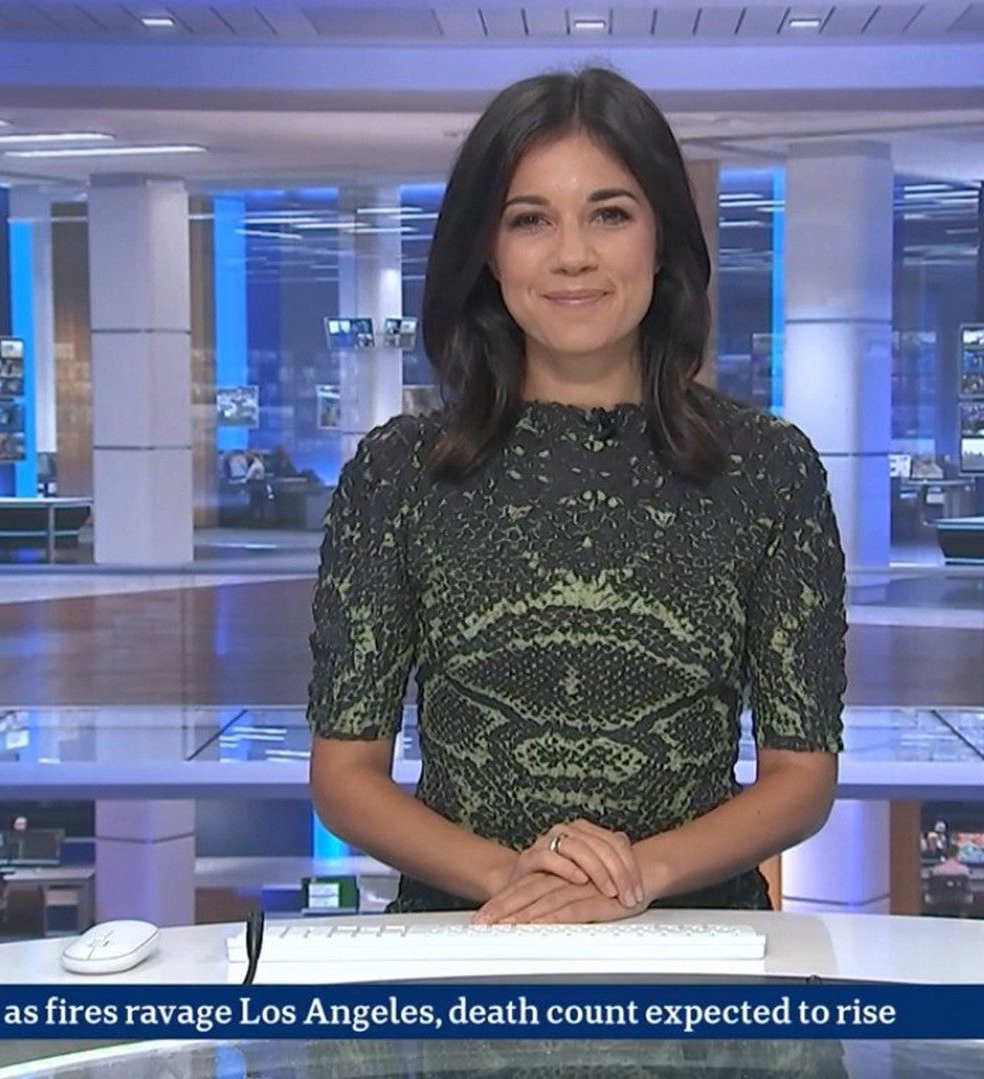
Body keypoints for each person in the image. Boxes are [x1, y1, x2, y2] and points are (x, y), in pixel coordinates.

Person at [307, 67, 846, 923]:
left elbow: (802, 776)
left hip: (695, 942)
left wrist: (632, 876)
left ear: (661, 238)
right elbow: (344, 776)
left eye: (610, 214)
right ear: (488, 249)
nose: (573, 255)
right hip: (471, 933)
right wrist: (510, 877)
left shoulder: (768, 469)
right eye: (530, 219)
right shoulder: (398, 474)